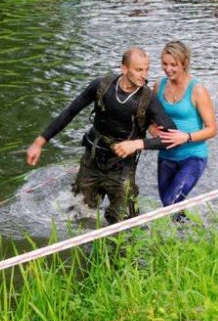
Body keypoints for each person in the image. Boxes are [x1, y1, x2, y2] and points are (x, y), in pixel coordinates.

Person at [26, 48, 176, 224]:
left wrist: (138, 144)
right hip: (92, 161)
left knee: (125, 223)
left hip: (123, 168)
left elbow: (172, 138)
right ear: (124, 69)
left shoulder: (148, 99)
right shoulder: (102, 86)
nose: (144, 75)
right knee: (78, 217)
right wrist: (39, 142)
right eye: (138, 70)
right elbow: (70, 112)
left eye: (147, 69)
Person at [125, 41, 216, 218]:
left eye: (173, 65)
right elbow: (147, 114)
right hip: (166, 156)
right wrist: (150, 127)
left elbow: (212, 129)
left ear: (184, 64)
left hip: (193, 156)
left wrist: (186, 137)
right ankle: (186, 236)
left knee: (170, 203)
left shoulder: (197, 90)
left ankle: (185, 233)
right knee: (171, 206)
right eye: (165, 64)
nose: (168, 69)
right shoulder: (159, 86)